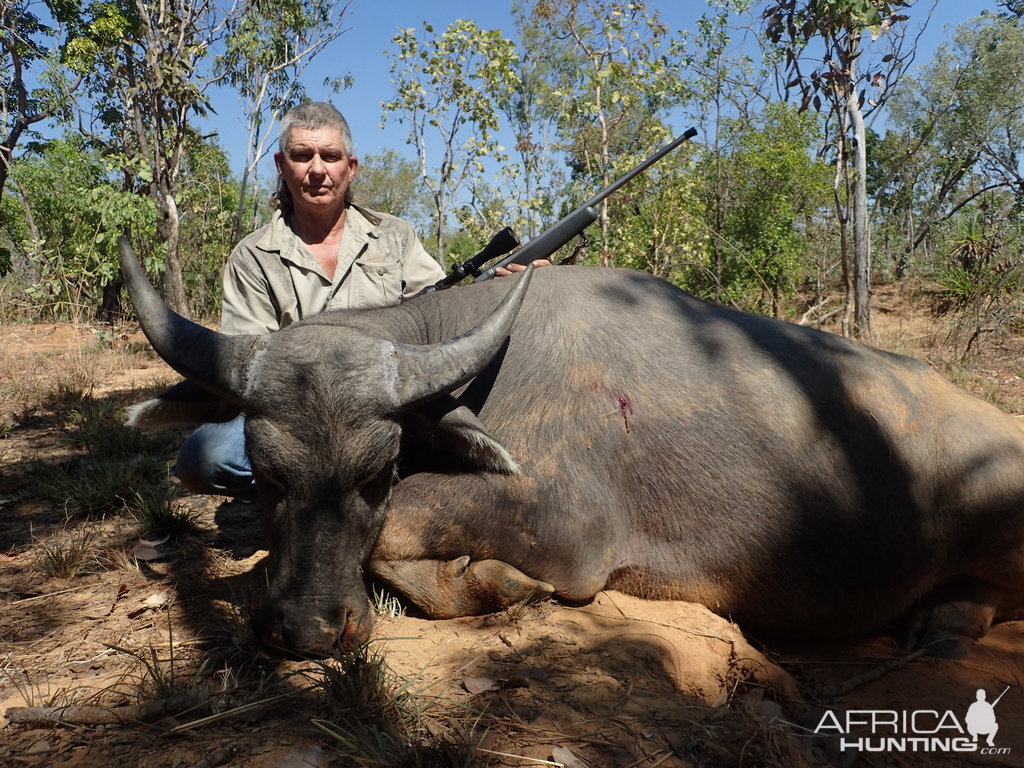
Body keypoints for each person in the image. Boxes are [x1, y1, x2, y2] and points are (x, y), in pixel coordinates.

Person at [175, 102, 543, 497]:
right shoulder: (253, 256)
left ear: (350, 168)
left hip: (384, 410)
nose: (318, 169)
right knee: (206, 457)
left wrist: (502, 287)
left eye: (330, 156)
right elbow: (250, 373)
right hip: (297, 419)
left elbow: (442, 315)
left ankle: (348, 483)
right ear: (282, 166)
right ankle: (340, 485)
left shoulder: (395, 236)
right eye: (303, 156)